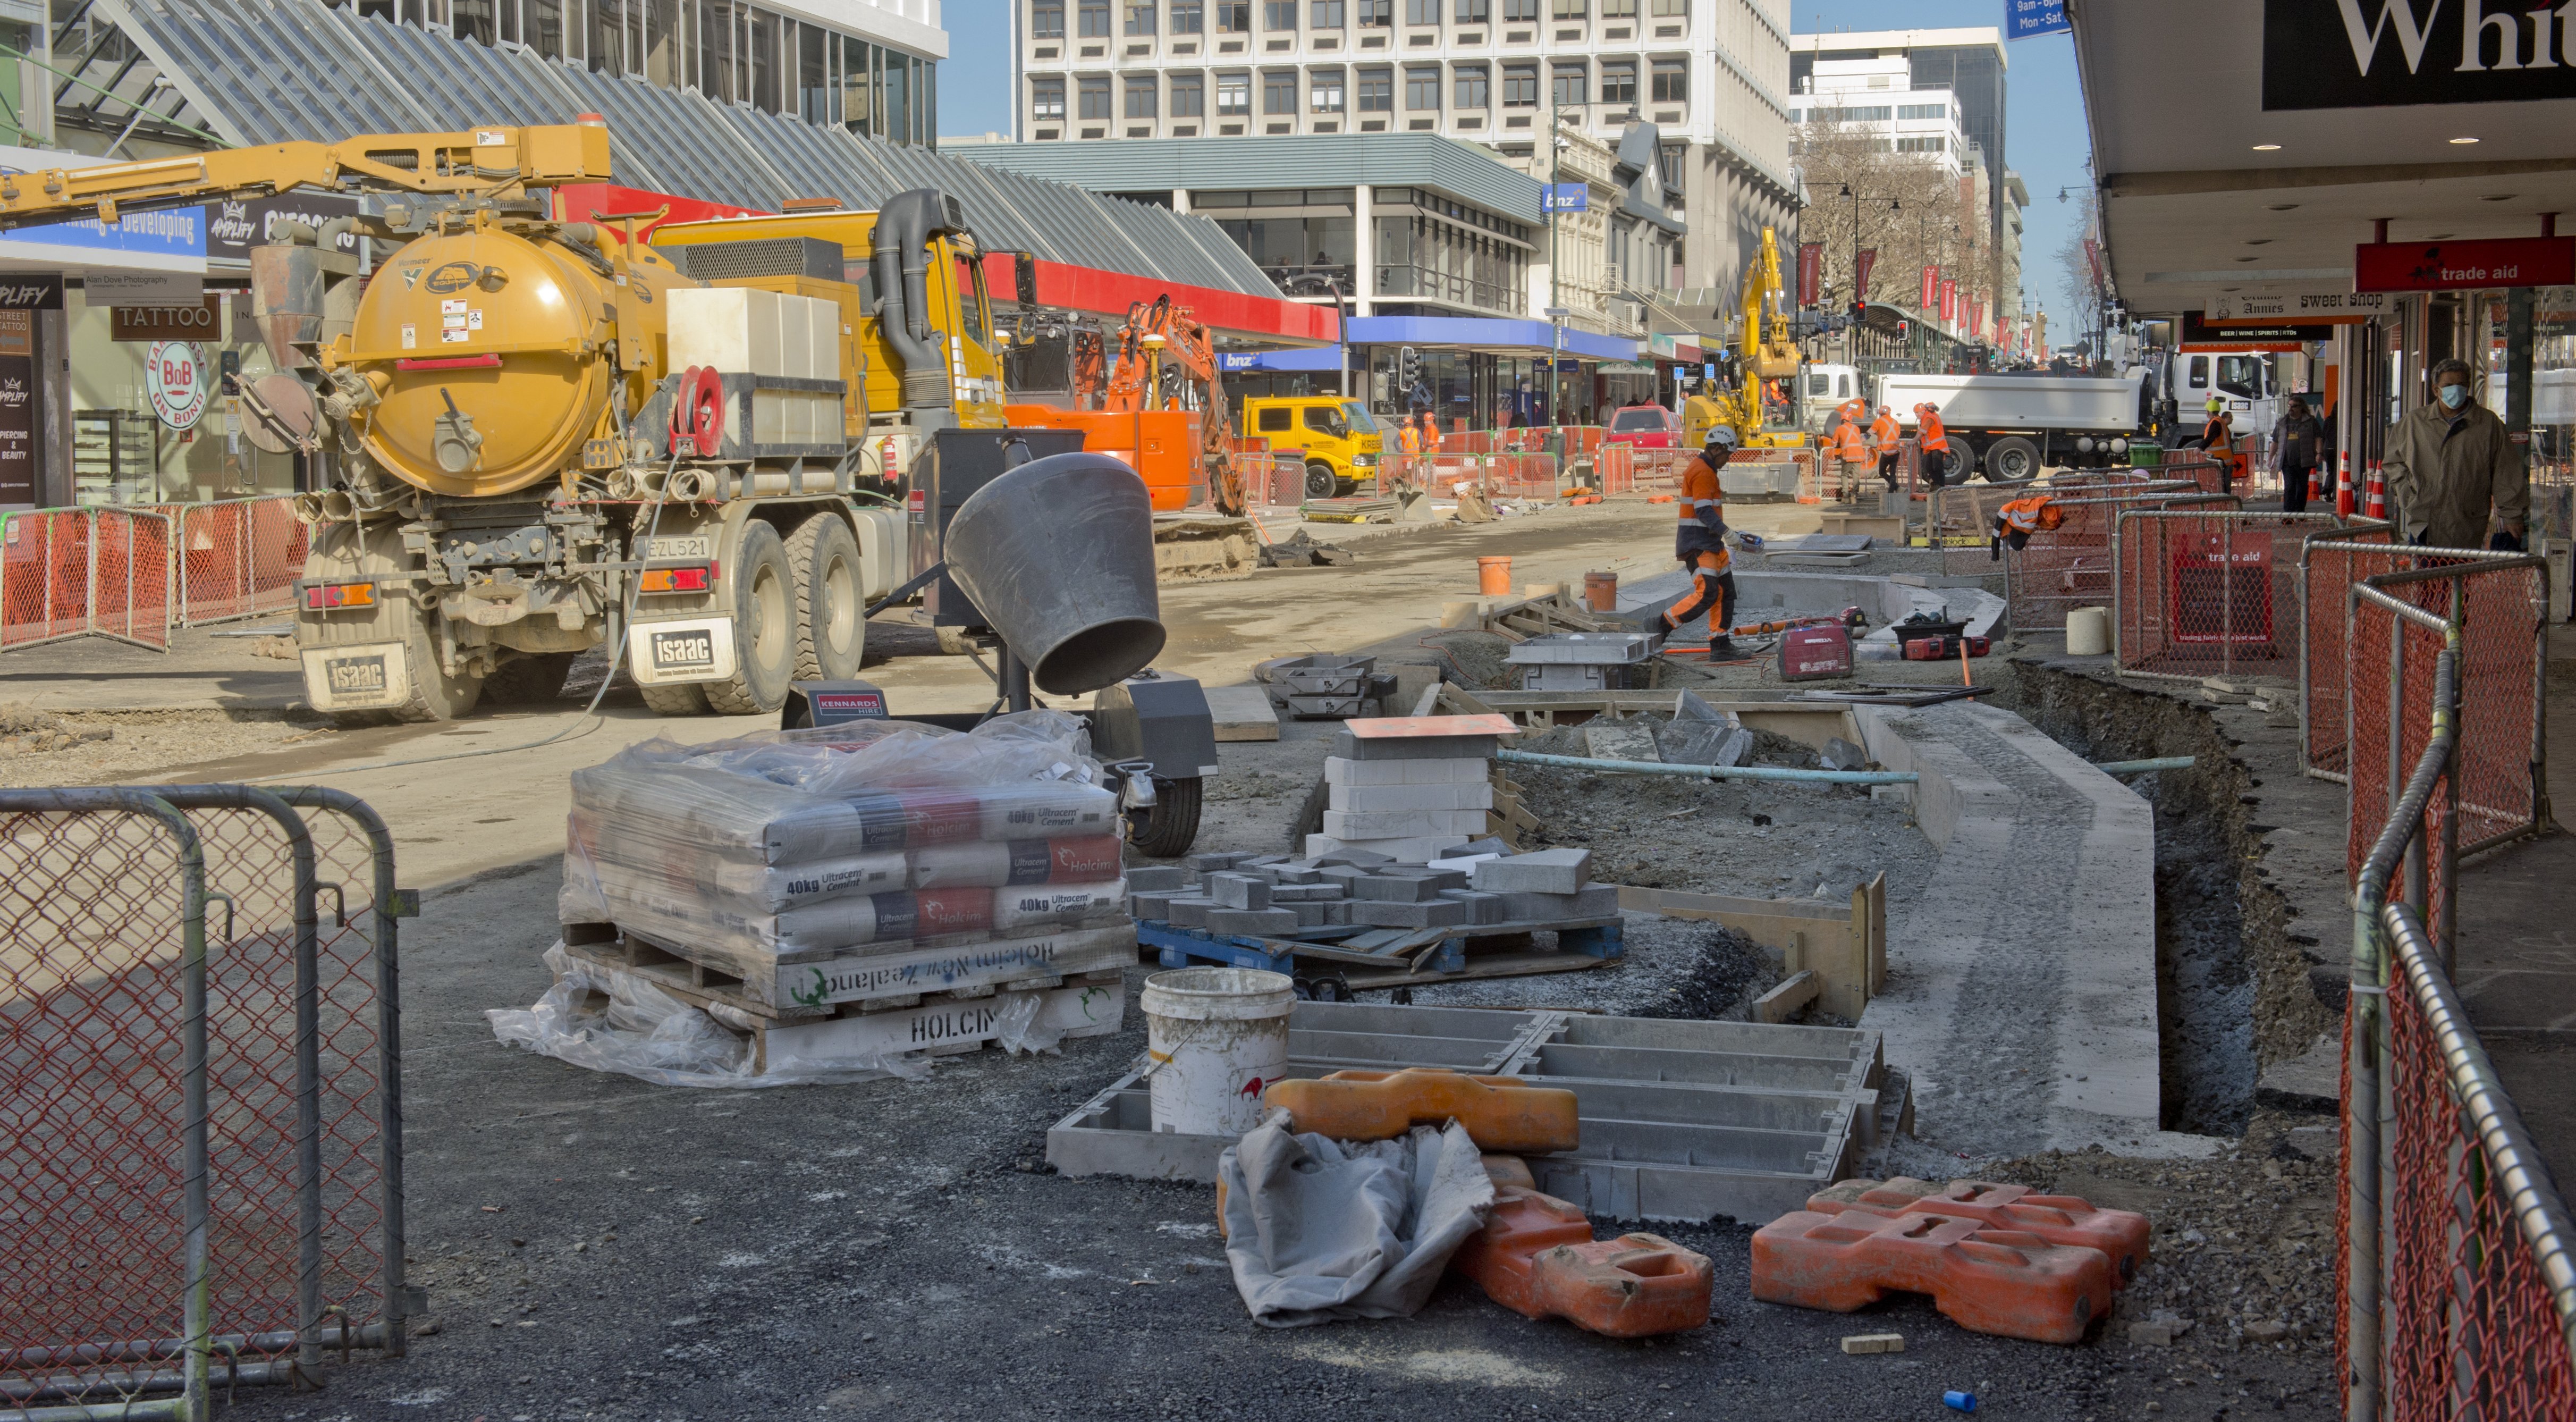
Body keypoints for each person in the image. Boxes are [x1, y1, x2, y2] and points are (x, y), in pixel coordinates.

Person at [2383, 358, 2529, 550]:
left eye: (2461, 385)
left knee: (2460, 579)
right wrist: (2409, 498)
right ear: (2436, 390)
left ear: (2468, 387)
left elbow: (2506, 473)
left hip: (2468, 525)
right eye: (2449, 385)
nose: (2456, 390)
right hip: (2423, 524)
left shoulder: (2488, 425)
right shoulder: (2413, 423)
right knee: (2426, 578)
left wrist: (2512, 516)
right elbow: (2393, 463)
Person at [1656, 426, 1741, 656]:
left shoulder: (1707, 470)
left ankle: (1720, 644)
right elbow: (1703, 511)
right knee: (1708, 593)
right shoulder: (1703, 472)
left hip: (1710, 543)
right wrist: (1728, 533)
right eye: (1727, 455)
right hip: (1698, 543)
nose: (1727, 460)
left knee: (1725, 592)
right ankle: (1663, 623)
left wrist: (1724, 535)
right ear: (1716, 449)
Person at [2273, 397, 2322, 514]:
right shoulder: (2282, 423)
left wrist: (2319, 453)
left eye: (2294, 406)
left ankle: (2300, 511)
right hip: (2287, 461)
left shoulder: (2310, 422)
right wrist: (2271, 458)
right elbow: (2275, 441)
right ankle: (2288, 513)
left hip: (2304, 460)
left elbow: (2318, 438)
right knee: (2289, 486)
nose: (2291, 409)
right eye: (2290, 406)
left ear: (2301, 408)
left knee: (2302, 487)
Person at [1990, 493, 2064, 561]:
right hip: (2020, 521)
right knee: (2017, 545)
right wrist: (1995, 554)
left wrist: (1995, 554)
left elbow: (1996, 532)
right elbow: (1996, 532)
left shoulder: (2008, 511)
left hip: (2022, 520)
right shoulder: (2009, 512)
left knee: (2016, 545)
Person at [1831, 417, 1870, 502]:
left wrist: (1836, 447)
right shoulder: (1856, 428)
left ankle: (1846, 496)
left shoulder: (1839, 428)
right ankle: (1854, 496)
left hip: (1848, 454)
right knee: (1856, 475)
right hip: (1859, 454)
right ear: (1851, 420)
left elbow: (1834, 442)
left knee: (1844, 474)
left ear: (1842, 420)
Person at [1914, 402, 1953, 488]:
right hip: (1932, 447)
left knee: (1937, 467)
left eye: (1917, 413)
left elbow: (1922, 432)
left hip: (1937, 446)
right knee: (1929, 467)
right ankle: (1935, 484)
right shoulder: (1930, 417)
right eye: (1915, 413)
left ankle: (1940, 486)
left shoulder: (1929, 418)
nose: (1916, 415)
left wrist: (1914, 441)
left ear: (1924, 411)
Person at [1869, 404, 1903, 488]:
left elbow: (1870, 433)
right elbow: (1898, 434)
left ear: (1880, 414)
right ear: (1889, 413)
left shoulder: (1879, 421)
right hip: (1896, 451)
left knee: (1882, 472)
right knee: (1893, 472)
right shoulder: (1895, 422)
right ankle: (1892, 491)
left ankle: (1896, 488)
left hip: (1886, 452)